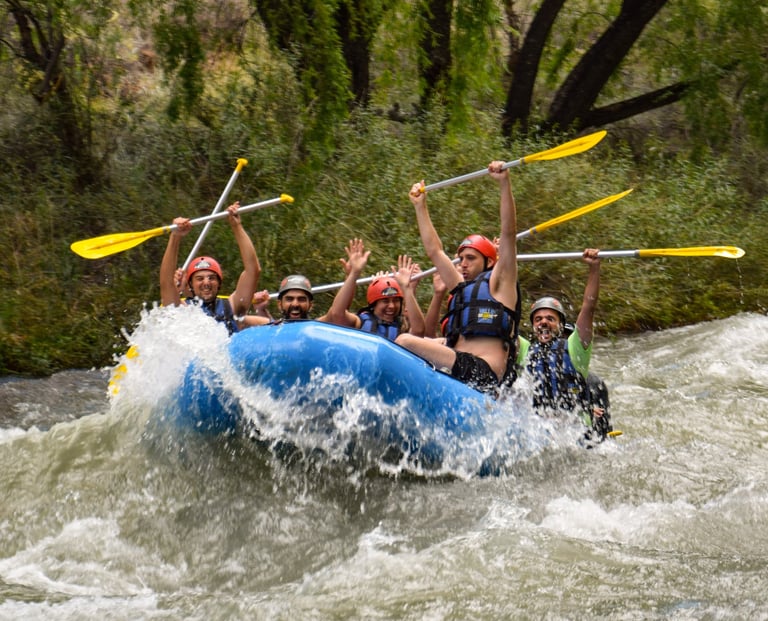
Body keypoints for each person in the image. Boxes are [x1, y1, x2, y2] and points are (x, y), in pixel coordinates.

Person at [395, 162, 521, 396]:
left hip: (484, 373)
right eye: (461, 258)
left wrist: (504, 183)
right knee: (411, 342)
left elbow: (508, 234)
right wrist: (420, 207)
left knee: (404, 341)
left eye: (470, 258)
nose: (463, 263)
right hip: (459, 364)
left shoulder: (502, 283)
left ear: (489, 262)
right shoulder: (462, 288)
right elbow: (435, 251)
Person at [517, 248, 613, 440]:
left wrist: (594, 268)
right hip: (539, 432)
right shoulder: (524, 350)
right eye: (538, 319)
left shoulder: (575, 349)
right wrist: (497, 263)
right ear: (533, 326)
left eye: (550, 319)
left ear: (561, 326)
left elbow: (589, 307)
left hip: (576, 432)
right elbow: (506, 312)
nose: (543, 322)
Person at [160, 202, 260, 335]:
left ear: (219, 283)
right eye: (199, 279)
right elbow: (166, 283)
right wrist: (175, 237)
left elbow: (253, 270)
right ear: (190, 285)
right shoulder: (181, 310)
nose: (206, 282)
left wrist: (236, 226)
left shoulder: (232, 306)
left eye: (212, 278)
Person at [321, 238, 426, 340]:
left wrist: (407, 288)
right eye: (385, 301)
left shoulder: (402, 326)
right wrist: (354, 274)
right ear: (374, 305)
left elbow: (419, 331)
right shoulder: (360, 322)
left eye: (396, 301)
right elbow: (337, 314)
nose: (392, 306)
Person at [243, 274, 315, 326]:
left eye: (301, 299)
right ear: (279, 304)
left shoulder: (317, 329)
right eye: (289, 299)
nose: (295, 304)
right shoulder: (277, 329)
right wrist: (260, 309)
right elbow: (269, 327)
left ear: (310, 305)